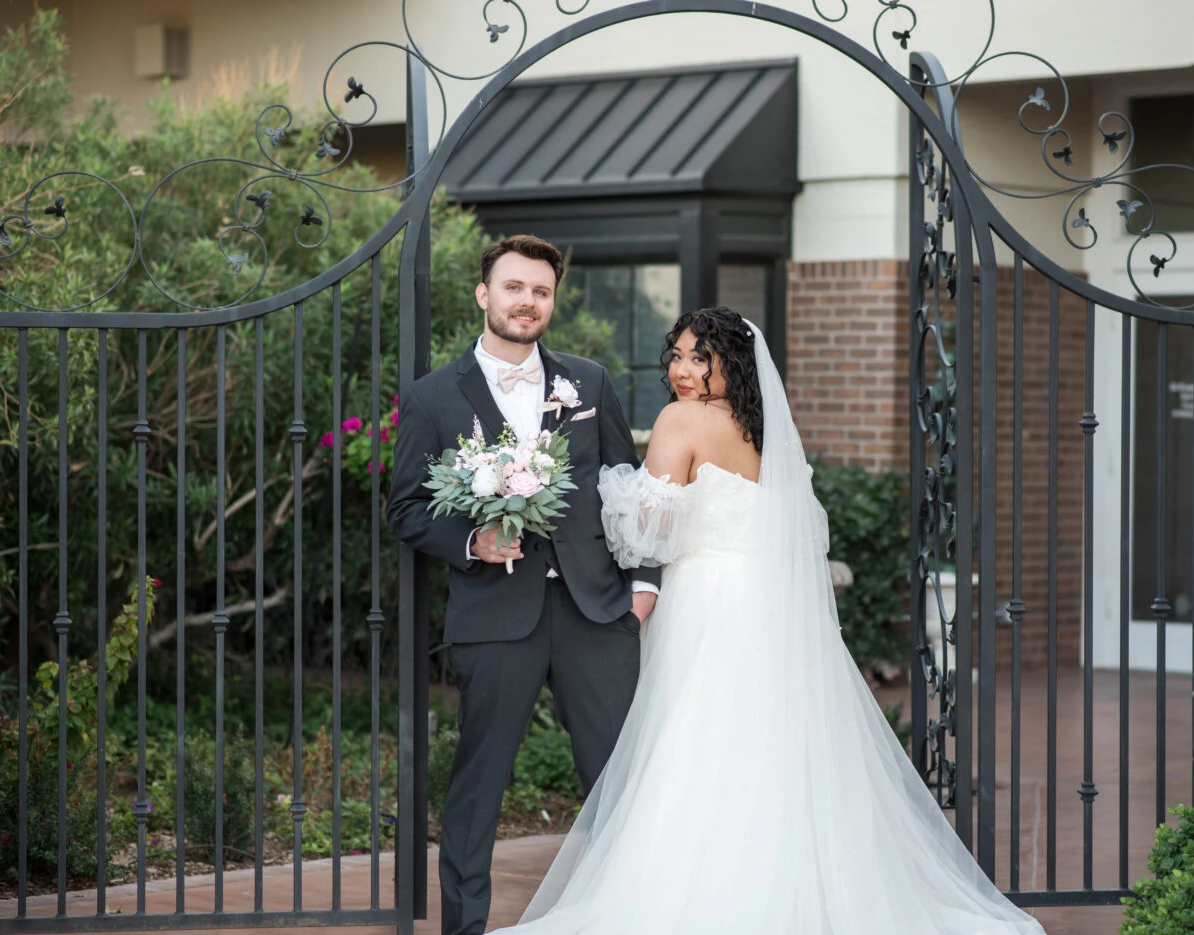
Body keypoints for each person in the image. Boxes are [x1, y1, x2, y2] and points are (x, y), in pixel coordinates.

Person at [491, 306, 1046, 934]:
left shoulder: (682, 420)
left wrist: (590, 488)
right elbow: (802, 529)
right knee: (775, 747)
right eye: (677, 355)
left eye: (702, 358)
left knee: (696, 745)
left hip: (707, 602)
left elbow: (644, 531)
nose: (683, 370)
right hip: (768, 604)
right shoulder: (769, 434)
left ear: (734, 364)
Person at [386, 234, 660, 935]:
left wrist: (645, 585)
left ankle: (637, 914)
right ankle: (464, 928)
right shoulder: (430, 397)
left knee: (620, 782)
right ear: (485, 294)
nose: (527, 301)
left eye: (540, 291)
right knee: (479, 784)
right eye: (514, 287)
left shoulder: (588, 382)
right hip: (493, 613)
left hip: (596, 611)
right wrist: (473, 541)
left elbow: (627, 488)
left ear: (551, 301)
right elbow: (407, 509)